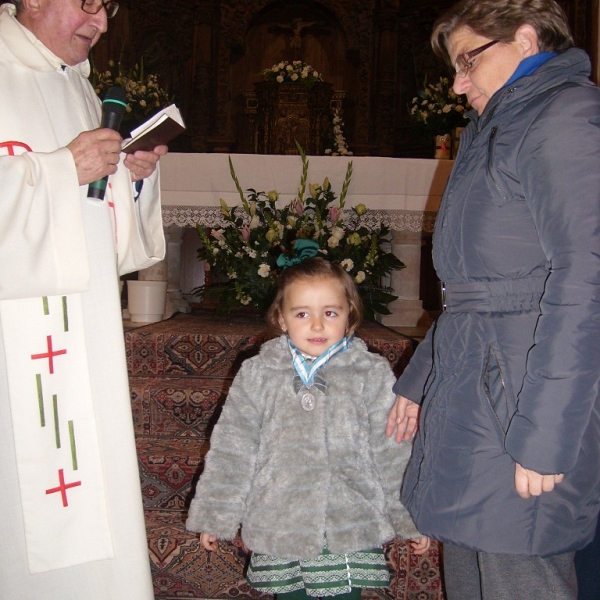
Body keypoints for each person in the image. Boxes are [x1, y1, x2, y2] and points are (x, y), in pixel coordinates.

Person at [385, 1, 600, 598]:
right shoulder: (500, 124)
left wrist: (549, 434)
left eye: (467, 61)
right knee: (472, 570)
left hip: (526, 399)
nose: (457, 84)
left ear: (525, 40)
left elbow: (586, 280)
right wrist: (421, 376)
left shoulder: (566, 116)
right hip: (479, 384)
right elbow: (474, 285)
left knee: (518, 569)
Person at [0, 0, 167, 598]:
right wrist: (58, 168)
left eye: (109, 7)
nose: (101, 21)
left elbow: (98, 224)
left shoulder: (80, 86)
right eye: (88, 2)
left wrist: (134, 176)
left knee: (92, 483)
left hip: (83, 330)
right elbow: (59, 176)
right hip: (13, 334)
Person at [186, 252, 429, 600]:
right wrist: (215, 513)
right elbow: (232, 449)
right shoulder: (258, 374)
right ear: (281, 319)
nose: (317, 325)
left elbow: (393, 450)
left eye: (330, 313)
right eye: (302, 314)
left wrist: (410, 516)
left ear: (349, 317)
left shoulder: (370, 373)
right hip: (280, 521)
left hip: (347, 523)